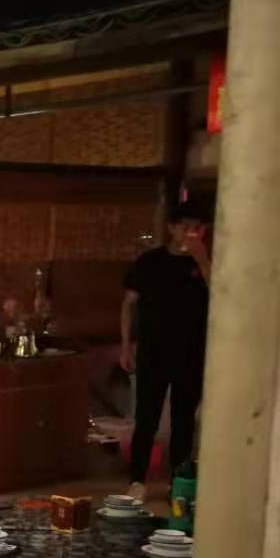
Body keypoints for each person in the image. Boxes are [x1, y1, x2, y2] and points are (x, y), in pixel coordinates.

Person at [121, 203, 211, 500]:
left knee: (184, 419)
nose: (191, 233)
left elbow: (223, 294)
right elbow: (128, 304)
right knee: (146, 416)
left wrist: (202, 259)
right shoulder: (150, 261)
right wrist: (126, 345)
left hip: (192, 352)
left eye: (197, 228)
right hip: (153, 350)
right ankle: (137, 480)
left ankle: (178, 481)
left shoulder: (206, 261)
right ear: (172, 228)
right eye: (185, 226)